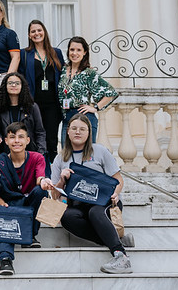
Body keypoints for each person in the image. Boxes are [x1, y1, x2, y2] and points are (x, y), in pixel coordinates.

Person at [51, 113, 133, 274]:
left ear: (89, 132)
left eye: (82, 129)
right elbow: (55, 195)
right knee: (66, 217)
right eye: (74, 128)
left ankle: (120, 256)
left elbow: (118, 180)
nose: (78, 132)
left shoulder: (100, 151)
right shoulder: (60, 158)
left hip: (105, 201)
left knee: (95, 212)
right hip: (78, 204)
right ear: (67, 131)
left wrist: (116, 194)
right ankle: (118, 239)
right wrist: (62, 179)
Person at [0, 122, 52, 276]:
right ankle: (5, 259)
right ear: (6, 141)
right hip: (8, 206)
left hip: (28, 205)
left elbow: (39, 178)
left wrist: (44, 182)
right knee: (7, 216)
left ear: (28, 140)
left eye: (21, 137)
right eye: (12, 137)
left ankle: (31, 234)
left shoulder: (37, 158)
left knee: (40, 192)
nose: (16, 141)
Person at [58, 36, 119, 145]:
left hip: (84, 117)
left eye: (78, 50)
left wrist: (95, 107)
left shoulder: (89, 73)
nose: (74, 53)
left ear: (84, 52)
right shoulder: (62, 70)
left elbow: (111, 93)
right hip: (67, 118)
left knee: (86, 157)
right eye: (72, 49)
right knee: (66, 156)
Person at [19, 20, 65, 162]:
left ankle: (51, 168)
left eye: (39, 30)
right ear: (29, 35)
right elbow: (20, 78)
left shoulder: (56, 53)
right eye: (33, 31)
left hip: (53, 103)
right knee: (35, 137)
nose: (36, 33)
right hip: (33, 102)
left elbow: (63, 75)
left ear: (44, 32)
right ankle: (38, 168)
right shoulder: (24, 54)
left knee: (51, 138)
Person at [0, 72, 46, 156]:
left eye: (17, 83)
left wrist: (40, 153)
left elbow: (40, 132)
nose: (14, 85)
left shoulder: (32, 107)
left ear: (22, 86)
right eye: (10, 83)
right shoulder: (0, 108)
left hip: (30, 151)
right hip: (8, 153)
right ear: (5, 86)